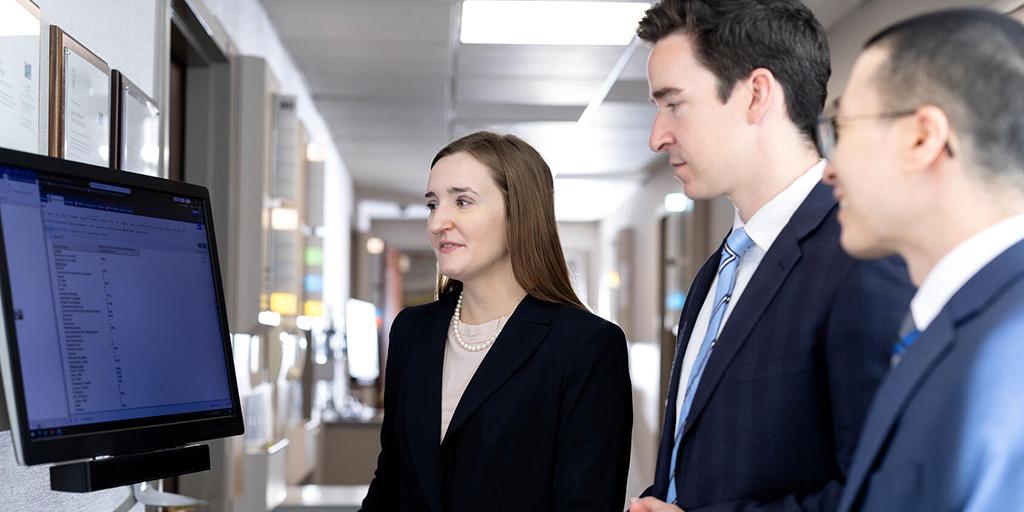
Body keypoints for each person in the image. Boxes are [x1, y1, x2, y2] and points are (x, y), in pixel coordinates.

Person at [629, 1, 915, 511]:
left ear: (756, 94)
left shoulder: (861, 258)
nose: (656, 137)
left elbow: (885, 493)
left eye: (673, 104)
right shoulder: (715, 273)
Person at [359, 131, 633, 511]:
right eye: (433, 204)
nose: (439, 222)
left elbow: (585, 502)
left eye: (463, 201)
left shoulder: (585, 345)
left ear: (519, 212)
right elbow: (391, 481)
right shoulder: (412, 331)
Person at [821, 9, 1024, 511]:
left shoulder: (1008, 354)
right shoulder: (965, 323)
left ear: (922, 137)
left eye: (842, 129)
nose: (829, 168)